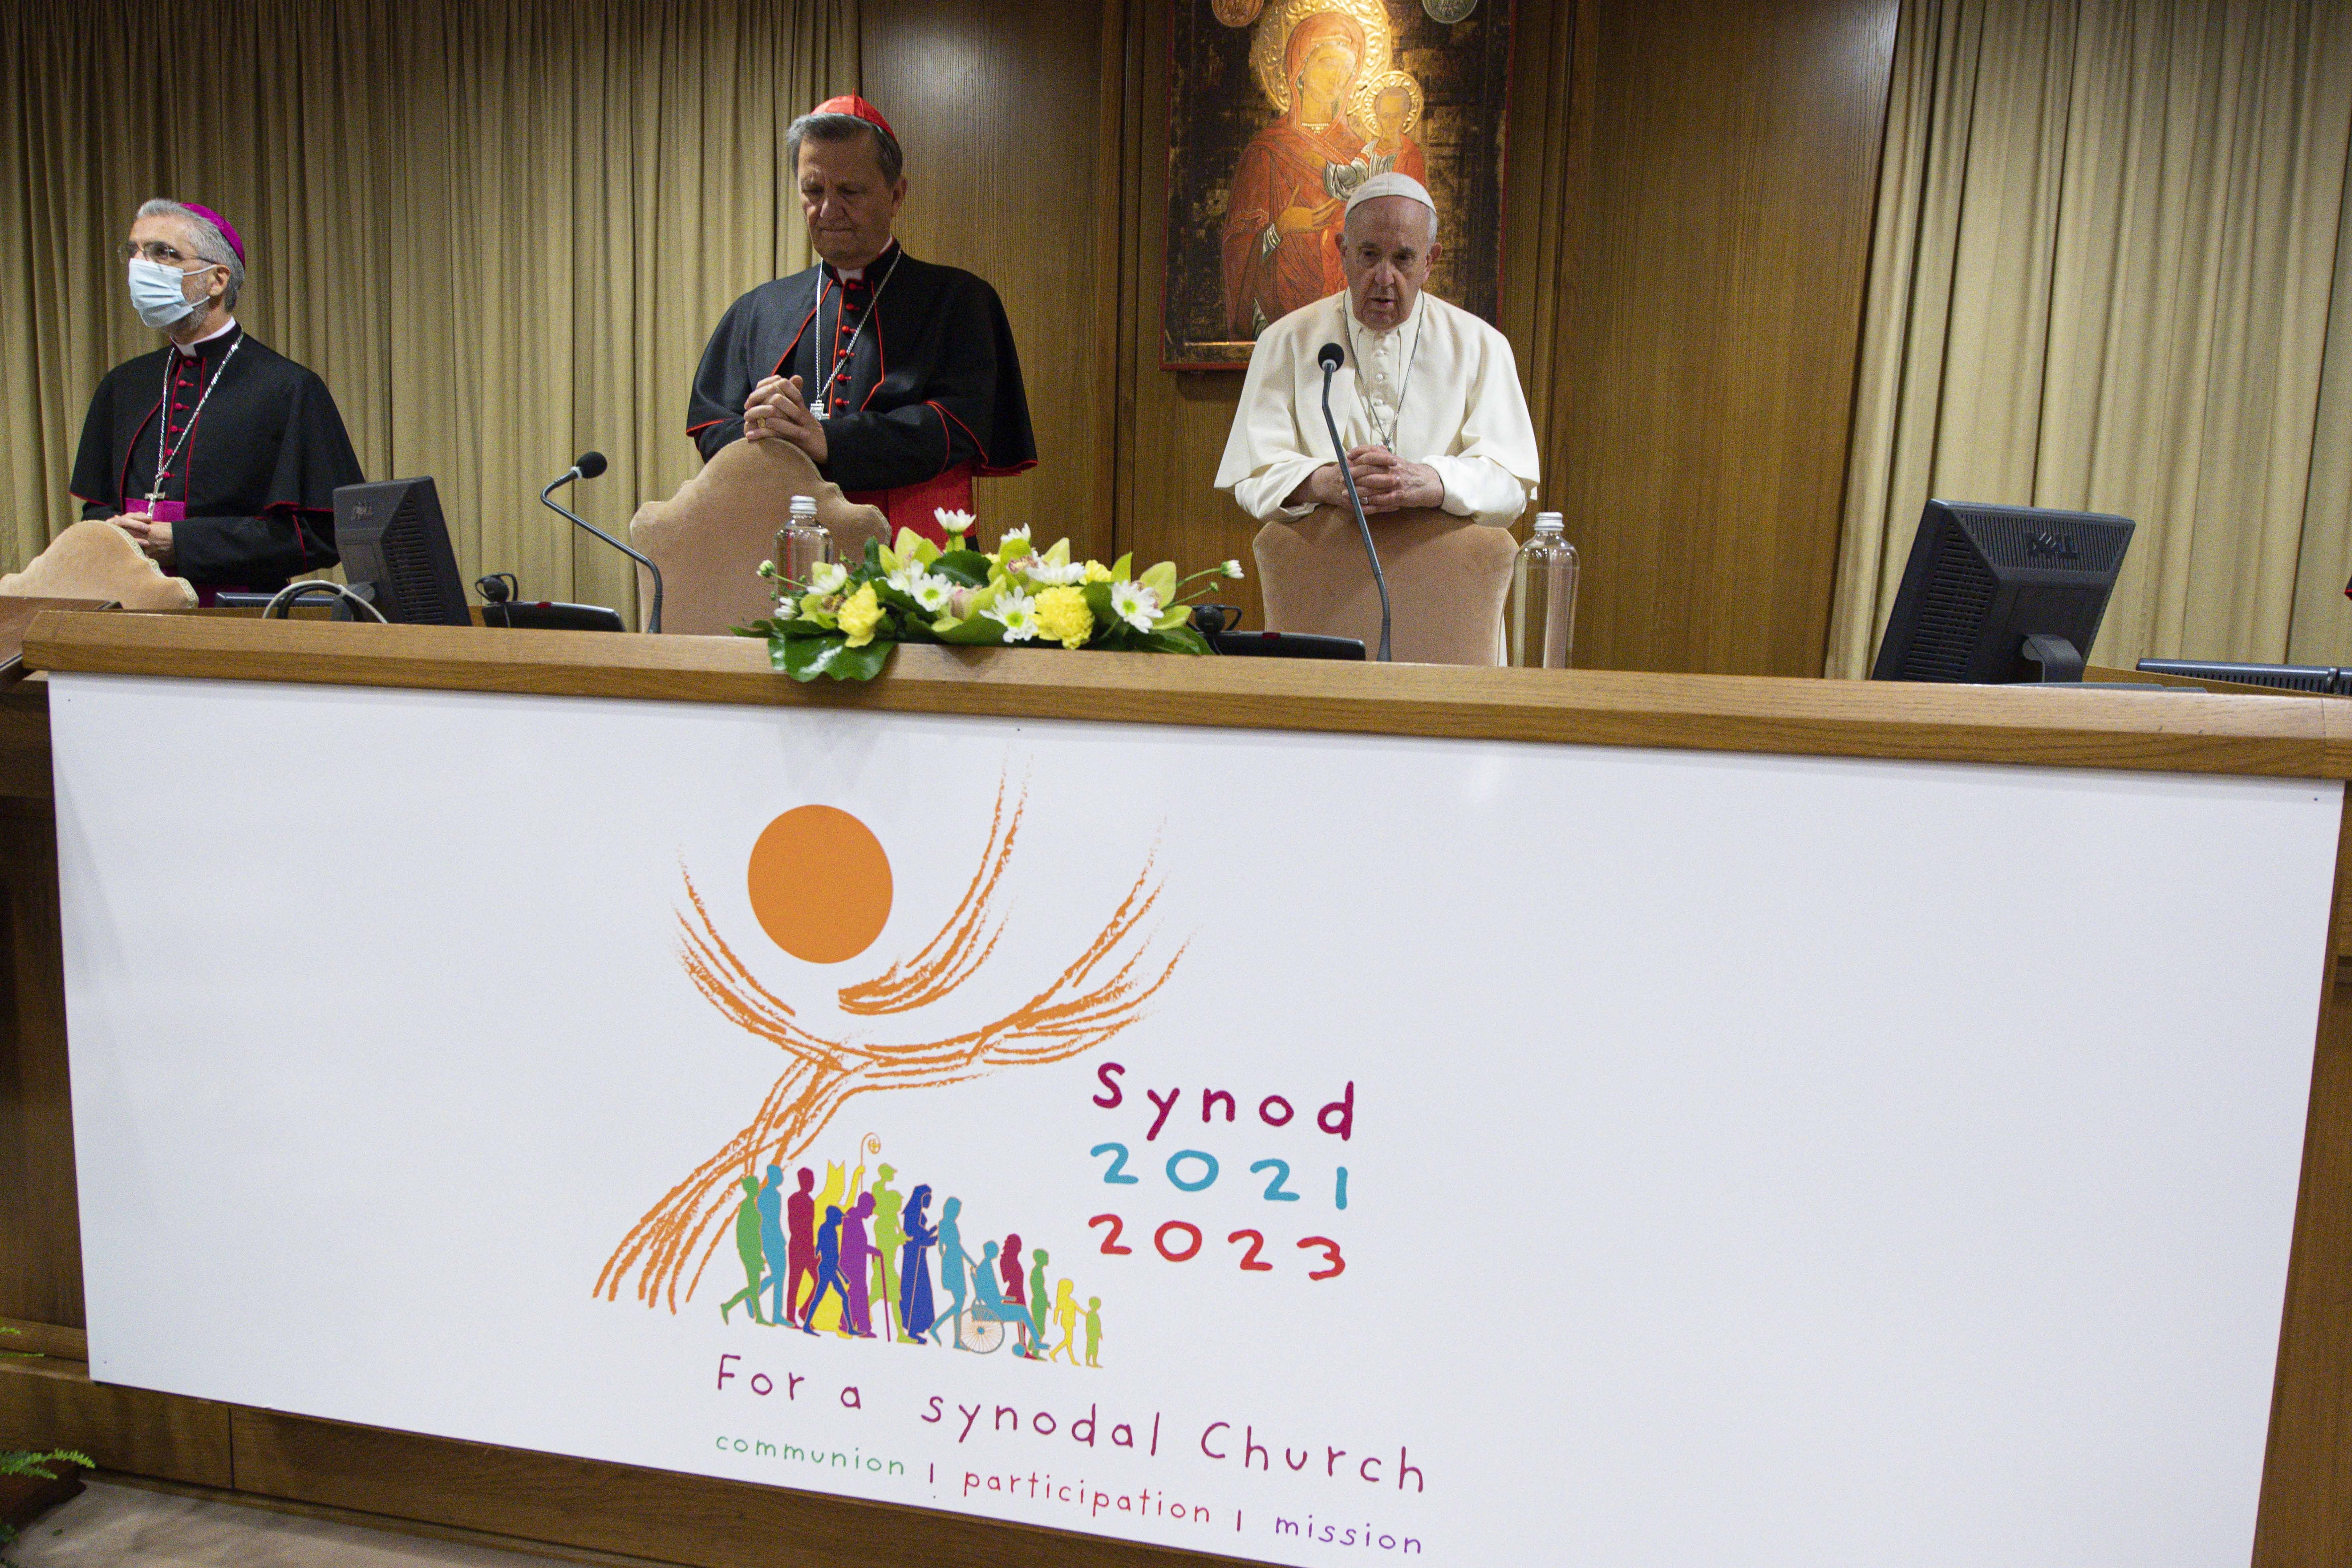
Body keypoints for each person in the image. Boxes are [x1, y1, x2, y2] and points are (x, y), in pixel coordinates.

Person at [687, 95, 1036, 545]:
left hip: (912, 555)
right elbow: (711, 425)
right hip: (782, 551)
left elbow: (958, 426)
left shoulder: (959, 301)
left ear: (895, 195)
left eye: (849, 192)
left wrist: (829, 441)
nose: (828, 209)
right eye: (813, 191)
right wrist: (765, 428)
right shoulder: (757, 310)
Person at [70, 199, 365, 602]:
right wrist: (116, 531)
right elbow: (95, 509)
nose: (139, 265)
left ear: (217, 280)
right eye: (134, 251)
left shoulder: (289, 388)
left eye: (162, 253)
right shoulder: (124, 384)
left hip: (238, 615)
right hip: (128, 608)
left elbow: (321, 536)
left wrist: (184, 543)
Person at [1214, 173, 1539, 533]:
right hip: (1321, 570)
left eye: (1403, 259)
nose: (1384, 278)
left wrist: (1431, 482)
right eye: (1369, 256)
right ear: (1343, 251)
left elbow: (1510, 484)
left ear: (1429, 261)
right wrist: (1323, 483)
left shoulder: (1480, 346)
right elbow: (1252, 477)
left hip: (1441, 572)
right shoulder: (1285, 341)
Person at [1221, 12, 1371, 339]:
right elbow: (1236, 250)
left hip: (1347, 327)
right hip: (1279, 328)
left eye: (1346, 69)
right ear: (1300, 69)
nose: (1337, 78)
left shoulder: (1361, 156)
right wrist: (1279, 229)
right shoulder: (1266, 152)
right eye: (1327, 64)